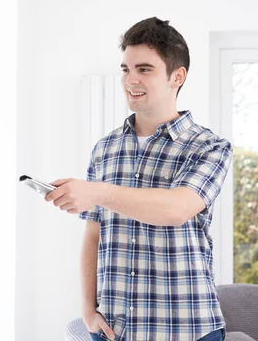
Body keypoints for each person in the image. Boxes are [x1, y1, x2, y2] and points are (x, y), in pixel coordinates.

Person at [45, 17, 232, 341]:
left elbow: (176, 208)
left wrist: (99, 193)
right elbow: (93, 235)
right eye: (125, 69)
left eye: (144, 69)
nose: (130, 80)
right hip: (115, 330)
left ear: (178, 76)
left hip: (188, 329)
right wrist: (88, 310)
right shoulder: (105, 148)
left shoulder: (209, 147)